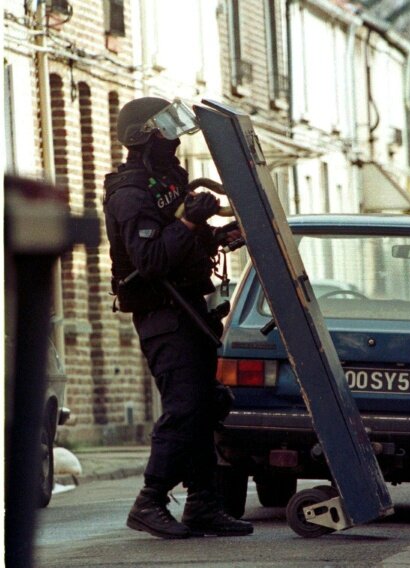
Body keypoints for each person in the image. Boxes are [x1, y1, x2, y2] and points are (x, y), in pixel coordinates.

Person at [103, 96, 253, 539]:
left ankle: (203, 502)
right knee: (185, 406)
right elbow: (150, 259)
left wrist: (217, 236)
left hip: (190, 309)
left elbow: (184, 243)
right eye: (164, 130)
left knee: (205, 404)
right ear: (145, 137)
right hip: (162, 314)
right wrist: (187, 223)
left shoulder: (165, 183)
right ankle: (150, 500)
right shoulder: (131, 193)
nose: (173, 139)